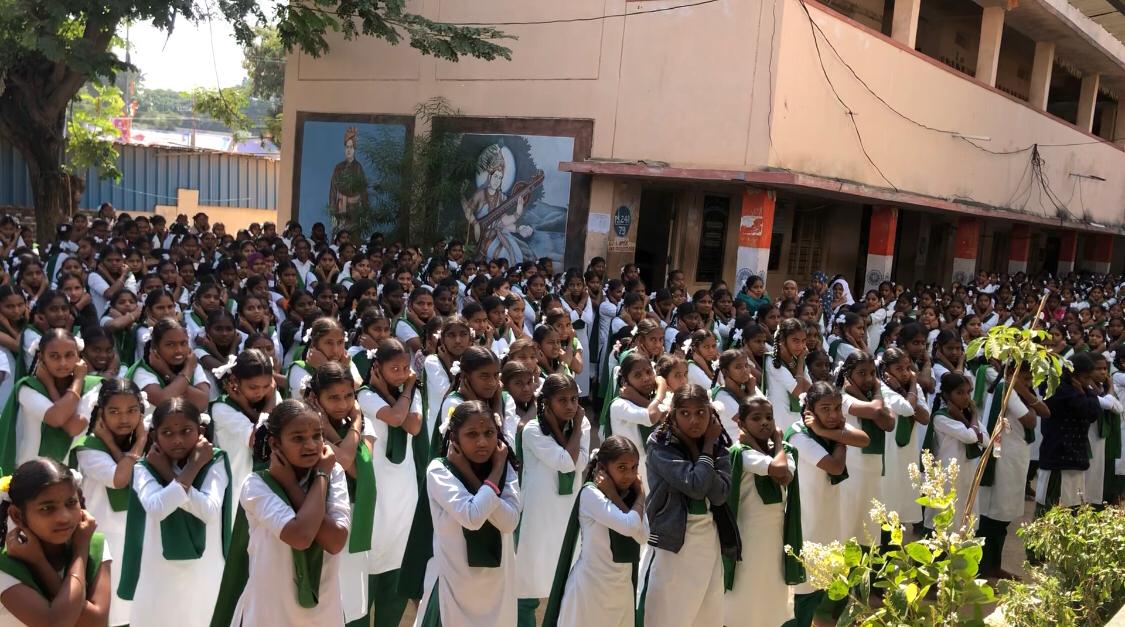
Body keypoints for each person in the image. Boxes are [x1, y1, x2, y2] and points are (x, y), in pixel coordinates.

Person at [212, 399, 351, 625]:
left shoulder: (331, 472)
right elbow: (301, 536)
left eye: (317, 435)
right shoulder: (256, 485)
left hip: (323, 612)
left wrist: (298, 486)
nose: (311, 445)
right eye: (298, 438)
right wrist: (312, 480)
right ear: (275, 443)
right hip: (271, 613)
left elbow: (335, 541)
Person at [118, 398, 231, 627]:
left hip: (205, 566)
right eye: (167, 433)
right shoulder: (143, 468)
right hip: (158, 568)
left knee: (203, 615)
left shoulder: (215, 461)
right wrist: (192, 468)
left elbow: (208, 511)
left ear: (200, 431)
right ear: (154, 436)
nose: (177, 440)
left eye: (186, 431)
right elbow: (158, 508)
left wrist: (173, 474)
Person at [637, 383, 735, 627]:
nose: (694, 420)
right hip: (673, 541)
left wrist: (703, 448)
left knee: (706, 612)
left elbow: (721, 494)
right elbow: (696, 485)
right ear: (673, 414)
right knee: (670, 615)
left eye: (701, 413)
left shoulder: (719, 442)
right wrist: (705, 448)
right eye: (685, 413)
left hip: (708, 537)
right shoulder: (660, 443)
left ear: (711, 413)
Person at [417, 400, 522, 626]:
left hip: (497, 585)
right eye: (472, 434)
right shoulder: (440, 470)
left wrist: (482, 475)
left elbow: (509, 523)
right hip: (456, 583)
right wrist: (493, 473)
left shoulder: (506, 468)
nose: (482, 442)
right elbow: (472, 517)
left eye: (489, 433)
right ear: (454, 438)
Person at [786, 381, 869, 626]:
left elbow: (863, 439)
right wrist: (840, 439)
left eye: (837, 408)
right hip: (808, 517)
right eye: (825, 409)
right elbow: (835, 465)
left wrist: (827, 433)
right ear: (809, 409)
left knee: (830, 575)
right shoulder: (798, 434)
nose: (833, 415)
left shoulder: (830, 428)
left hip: (830, 514)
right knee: (808, 580)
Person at [542, 436, 647, 627]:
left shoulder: (631, 498)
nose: (630, 475)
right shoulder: (591, 495)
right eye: (622, 467)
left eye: (634, 467)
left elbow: (642, 535)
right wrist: (641, 495)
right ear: (603, 469)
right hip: (590, 590)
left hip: (620, 592)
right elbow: (630, 526)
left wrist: (618, 496)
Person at [513, 374, 590, 625]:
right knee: (529, 579)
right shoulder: (533, 430)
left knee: (568, 575)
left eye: (574, 400)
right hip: (538, 512)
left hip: (568, 511)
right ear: (546, 402)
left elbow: (580, 462)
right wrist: (577, 428)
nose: (570, 406)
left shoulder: (583, 425)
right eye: (562, 400)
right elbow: (567, 463)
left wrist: (578, 427)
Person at [356, 339, 423, 627]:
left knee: (398, 552)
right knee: (372, 552)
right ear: (377, 369)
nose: (400, 373)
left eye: (405, 368)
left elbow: (414, 425)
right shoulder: (365, 396)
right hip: (377, 489)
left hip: (404, 490)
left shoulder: (411, 395)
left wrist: (407, 391)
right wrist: (408, 388)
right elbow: (397, 418)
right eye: (393, 368)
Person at [69, 378, 146, 626]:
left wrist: (116, 446)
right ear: (101, 412)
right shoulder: (88, 447)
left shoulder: (151, 442)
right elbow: (119, 477)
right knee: (111, 604)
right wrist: (140, 444)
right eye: (114, 412)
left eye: (132, 411)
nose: (124, 419)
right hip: (106, 535)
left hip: (138, 533)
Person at [0, 459, 111, 626]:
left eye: (71, 503)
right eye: (46, 508)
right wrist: (79, 552)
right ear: (17, 515)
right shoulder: (5, 568)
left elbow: (95, 622)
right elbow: (56, 623)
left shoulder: (93, 544)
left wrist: (41, 564)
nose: (64, 517)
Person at [723, 396, 794, 627]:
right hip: (746, 540)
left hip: (773, 540)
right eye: (756, 418)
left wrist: (777, 443)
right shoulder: (740, 454)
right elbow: (778, 468)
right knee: (745, 597)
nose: (765, 423)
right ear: (741, 424)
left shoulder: (784, 452)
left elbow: (785, 476)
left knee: (769, 594)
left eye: (769, 418)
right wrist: (778, 442)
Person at [0, 329, 91, 473]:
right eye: (54, 356)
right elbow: (57, 418)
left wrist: (53, 386)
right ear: (41, 358)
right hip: (30, 472)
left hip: (70, 474)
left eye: (69, 355)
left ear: (79, 357)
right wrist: (76, 380)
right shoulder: (28, 387)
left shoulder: (93, 386)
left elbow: (73, 427)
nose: (63, 363)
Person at [1039, 352, 1102, 513]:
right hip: (1058, 458)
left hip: (1075, 458)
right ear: (1073, 375)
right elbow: (1085, 408)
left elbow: (1094, 412)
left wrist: (1084, 391)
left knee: (1073, 509)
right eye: (1086, 378)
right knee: (1051, 511)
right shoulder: (1056, 388)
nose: (1088, 383)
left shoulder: (1080, 390)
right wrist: (1084, 393)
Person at [922, 372, 983, 532]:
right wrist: (974, 416)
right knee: (945, 522)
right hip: (948, 477)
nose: (966, 397)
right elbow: (971, 437)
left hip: (967, 475)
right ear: (947, 395)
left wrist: (967, 419)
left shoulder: (967, 418)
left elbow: (986, 440)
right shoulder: (941, 418)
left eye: (968, 392)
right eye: (960, 392)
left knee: (964, 519)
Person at [607, 353, 664, 487]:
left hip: (650, 466)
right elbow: (652, 416)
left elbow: (665, 416)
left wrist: (637, 398)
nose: (646, 378)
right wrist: (662, 388)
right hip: (628, 471)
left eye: (649, 372)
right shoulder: (619, 405)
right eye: (637, 375)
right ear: (626, 381)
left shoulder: (649, 400)